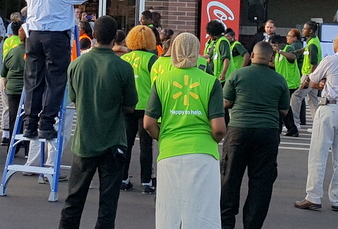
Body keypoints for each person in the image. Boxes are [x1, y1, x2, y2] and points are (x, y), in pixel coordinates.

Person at [59, 17, 138, 229]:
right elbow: (131, 105)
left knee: (73, 201)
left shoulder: (76, 65)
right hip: (113, 142)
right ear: (115, 38)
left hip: (85, 141)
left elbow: (74, 100)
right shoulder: (123, 67)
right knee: (108, 205)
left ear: (93, 36)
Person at [145, 33, 226, 229]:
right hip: (203, 154)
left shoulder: (162, 81)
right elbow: (219, 128)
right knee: (203, 215)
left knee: (169, 215)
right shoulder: (210, 81)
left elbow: (148, 123)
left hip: (170, 152)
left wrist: (163, 138)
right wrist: (212, 140)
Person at [218, 41, 290, 229]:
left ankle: (226, 223)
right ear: (271, 58)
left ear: (252, 54)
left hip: (238, 131)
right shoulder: (279, 79)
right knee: (261, 184)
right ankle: (252, 224)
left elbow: (226, 102)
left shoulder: (237, 75)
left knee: (230, 179)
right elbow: (283, 110)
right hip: (267, 133)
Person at [23, 0, 94, 140]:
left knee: (33, 80)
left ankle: (29, 124)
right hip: (56, 37)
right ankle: (46, 123)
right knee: (55, 80)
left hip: (34, 35)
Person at [294, 31, 338, 212]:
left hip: (330, 108)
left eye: (335, 41)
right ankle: (337, 200)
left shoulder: (330, 60)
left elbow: (312, 79)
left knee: (319, 153)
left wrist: (319, 83)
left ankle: (314, 196)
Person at [120, 24, 160, 193]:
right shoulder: (152, 59)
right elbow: (157, 84)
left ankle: (123, 179)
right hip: (146, 108)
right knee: (146, 146)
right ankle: (146, 182)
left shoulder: (124, 58)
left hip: (127, 106)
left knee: (126, 144)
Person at [291, 21, 323, 127]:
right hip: (315, 75)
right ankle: (318, 124)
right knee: (312, 99)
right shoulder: (313, 41)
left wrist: (307, 79)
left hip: (309, 74)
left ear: (311, 31)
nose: (302, 30)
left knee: (296, 96)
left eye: (305, 29)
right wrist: (295, 52)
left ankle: (295, 122)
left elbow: (314, 63)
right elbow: (306, 50)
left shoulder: (312, 44)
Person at [1, 25, 28, 145]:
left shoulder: (12, 51)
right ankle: (27, 146)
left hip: (12, 88)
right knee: (28, 117)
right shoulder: (32, 52)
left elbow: (3, 72)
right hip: (27, 89)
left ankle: (12, 145)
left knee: (13, 117)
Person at [272, 32, 302, 137]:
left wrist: (280, 51)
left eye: (273, 45)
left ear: (277, 44)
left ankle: (287, 128)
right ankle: (290, 128)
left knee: (282, 106)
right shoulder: (277, 54)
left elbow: (293, 57)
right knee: (283, 106)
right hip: (283, 83)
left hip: (290, 82)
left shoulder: (287, 49)